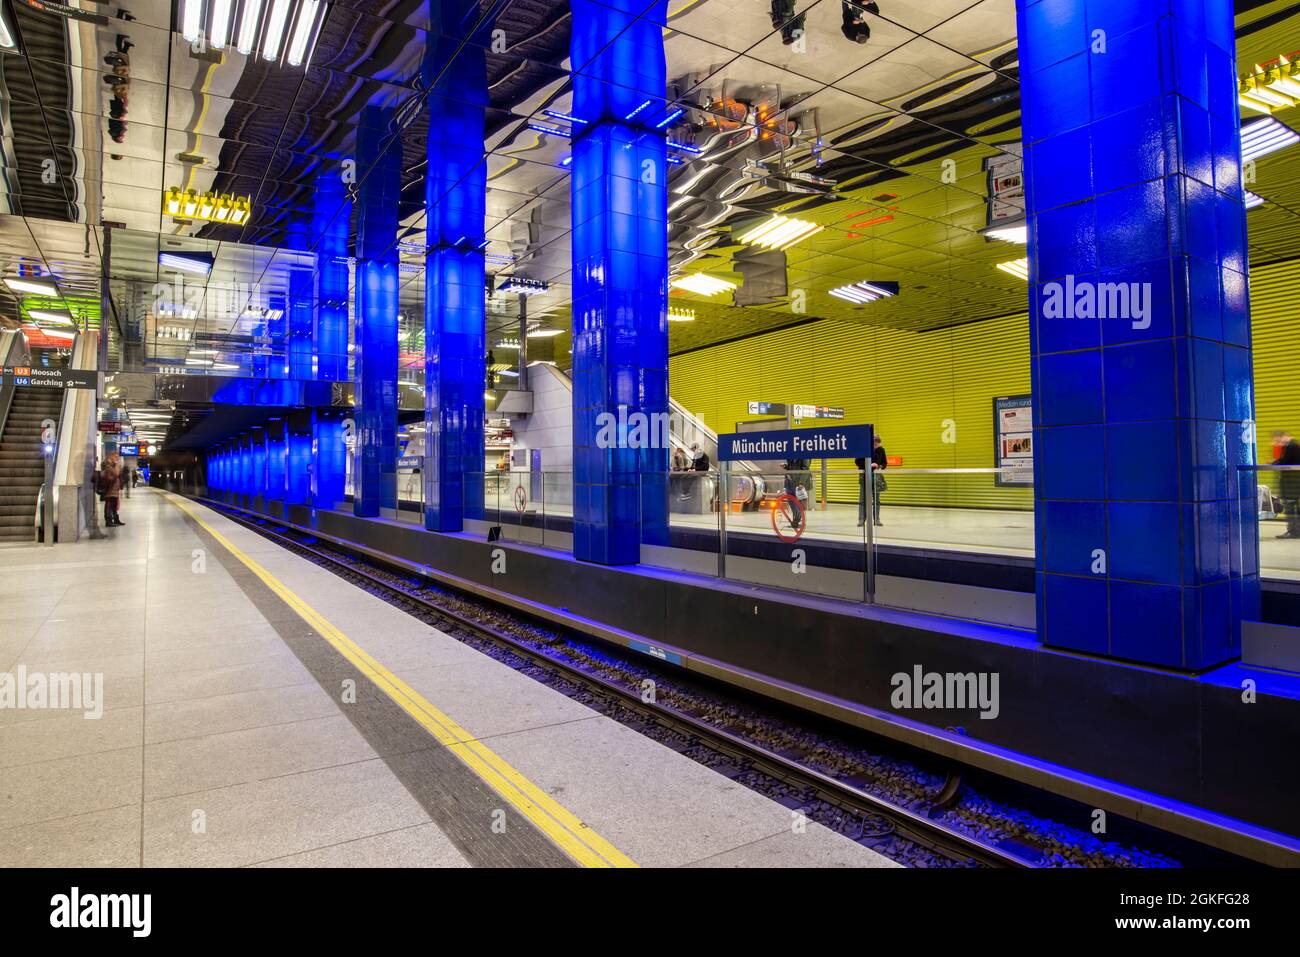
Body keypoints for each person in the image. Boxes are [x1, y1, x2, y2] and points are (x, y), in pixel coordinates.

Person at [1272, 430, 1300, 538]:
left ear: (1283, 437)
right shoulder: (1293, 445)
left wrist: (1274, 462)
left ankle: (1293, 531)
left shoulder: (1291, 446)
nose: (1278, 443)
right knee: (1294, 508)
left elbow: (1283, 462)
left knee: (1290, 508)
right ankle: (1296, 531)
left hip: (1291, 484)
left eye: (1278, 441)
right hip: (1293, 483)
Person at [781, 457, 812, 532]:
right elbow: (791, 467)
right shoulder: (791, 454)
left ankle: (797, 521)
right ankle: (796, 520)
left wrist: (801, 483)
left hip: (798, 482)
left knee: (799, 503)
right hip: (790, 481)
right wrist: (786, 466)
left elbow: (805, 469)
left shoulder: (804, 455)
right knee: (791, 500)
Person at [99, 454, 124, 527]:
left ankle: (115, 519)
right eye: (115, 457)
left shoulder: (112, 466)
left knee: (114, 505)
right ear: (111, 457)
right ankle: (108, 521)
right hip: (110, 488)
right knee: (109, 504)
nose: (117, 458)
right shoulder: (108, 466)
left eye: (117, 457)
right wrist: (117, 466)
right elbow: (116, 474)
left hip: (114, 489)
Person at [870, 434, 887, 526]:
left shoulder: (881, 450)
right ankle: (863, 519)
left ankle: (876, 519)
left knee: (876, 499)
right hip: (866, 475)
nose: (877, 444)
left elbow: (885, 463)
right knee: (865, 499)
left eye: (878, 442)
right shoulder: (867, 449)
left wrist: (879, 466)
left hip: (876, 476)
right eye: (875, 442)